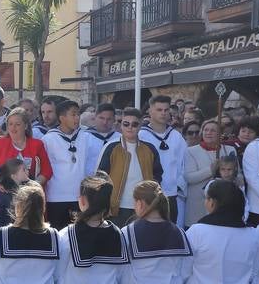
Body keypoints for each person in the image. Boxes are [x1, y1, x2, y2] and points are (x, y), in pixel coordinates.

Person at [97, 108, 161, 226]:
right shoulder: (111, 147)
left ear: (140, 125)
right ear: (121, 125)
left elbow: (157, 175)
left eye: (134, 124)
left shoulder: (150, 148)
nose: (130, 127)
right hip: (117, 208)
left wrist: (152, 199)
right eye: (126, 124)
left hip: (144, 205)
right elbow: (100, 177)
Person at [41, 100, 96, 228]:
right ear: (62, 118)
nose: (77, 118)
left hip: (80, 197)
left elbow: (92, 166)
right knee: (58, 234)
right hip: (56, 197)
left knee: (79, 234)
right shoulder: (48, 139)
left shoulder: (87, 137)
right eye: (73, 114)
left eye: (78, 114)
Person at [138, 95, 188, 223]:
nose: (163, 113)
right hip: (148, 195)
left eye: (166, 110)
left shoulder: (176, 136)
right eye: (159, 110)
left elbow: (184, 163)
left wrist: (177, 185)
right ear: (150, 111)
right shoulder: (141, 135)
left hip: (171, 194)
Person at [0, 106, 51, 199]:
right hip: (4, 195)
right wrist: (0, 186)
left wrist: (33, 187)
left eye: (18, 124)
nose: (13, 127)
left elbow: (47, 171)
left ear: (26, 126)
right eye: (10, 124)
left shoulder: (37, 144)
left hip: (29, 196)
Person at [182, 120, 235, 227]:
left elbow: (236, 173)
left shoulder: (229, 150)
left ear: (220, 134)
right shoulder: (191, 151)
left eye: (213, 130)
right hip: (198, 205)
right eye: (206, 130)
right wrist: (211, 170)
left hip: (223, 203)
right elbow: (189, 177)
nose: (208, 133)